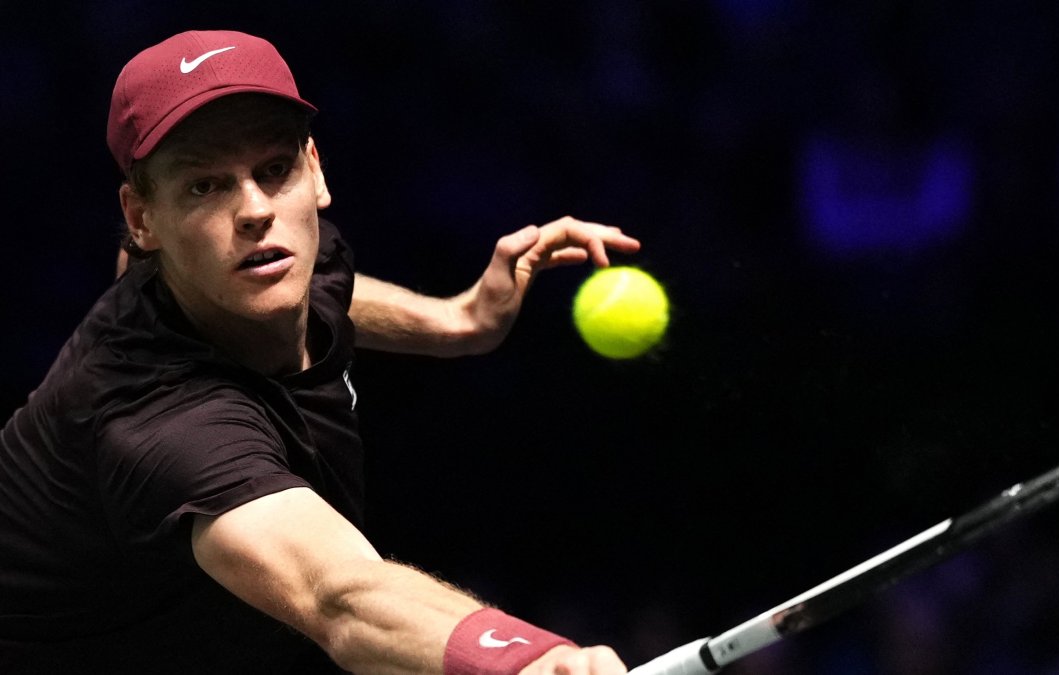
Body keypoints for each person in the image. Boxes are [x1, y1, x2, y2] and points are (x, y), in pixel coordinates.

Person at [0, 29, 638, 674]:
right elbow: (340, 596)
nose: (254, 209)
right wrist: (529, 660)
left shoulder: (256, 258)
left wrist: (456, 321)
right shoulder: (165, 426)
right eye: (204, 186)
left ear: (315, 169)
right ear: (142, 219)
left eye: (274, 169)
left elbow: (324, 289)